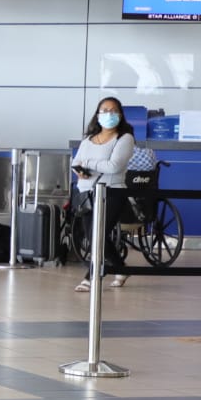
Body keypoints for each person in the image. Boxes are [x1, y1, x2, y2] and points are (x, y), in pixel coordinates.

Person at [72, 96, 136, 292]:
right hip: (86, 193)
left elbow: (115, 166)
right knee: (93, 237)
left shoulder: (124, 138)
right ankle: (120, 268)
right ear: (97, 114)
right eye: (104, 110)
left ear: (120, 114)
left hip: (112, 193)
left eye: (113, 110)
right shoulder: (88, 140)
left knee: (98, 235)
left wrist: (89, 164)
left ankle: (90, 276)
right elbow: (76, 162)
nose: (109, 114)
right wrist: (79, 169)